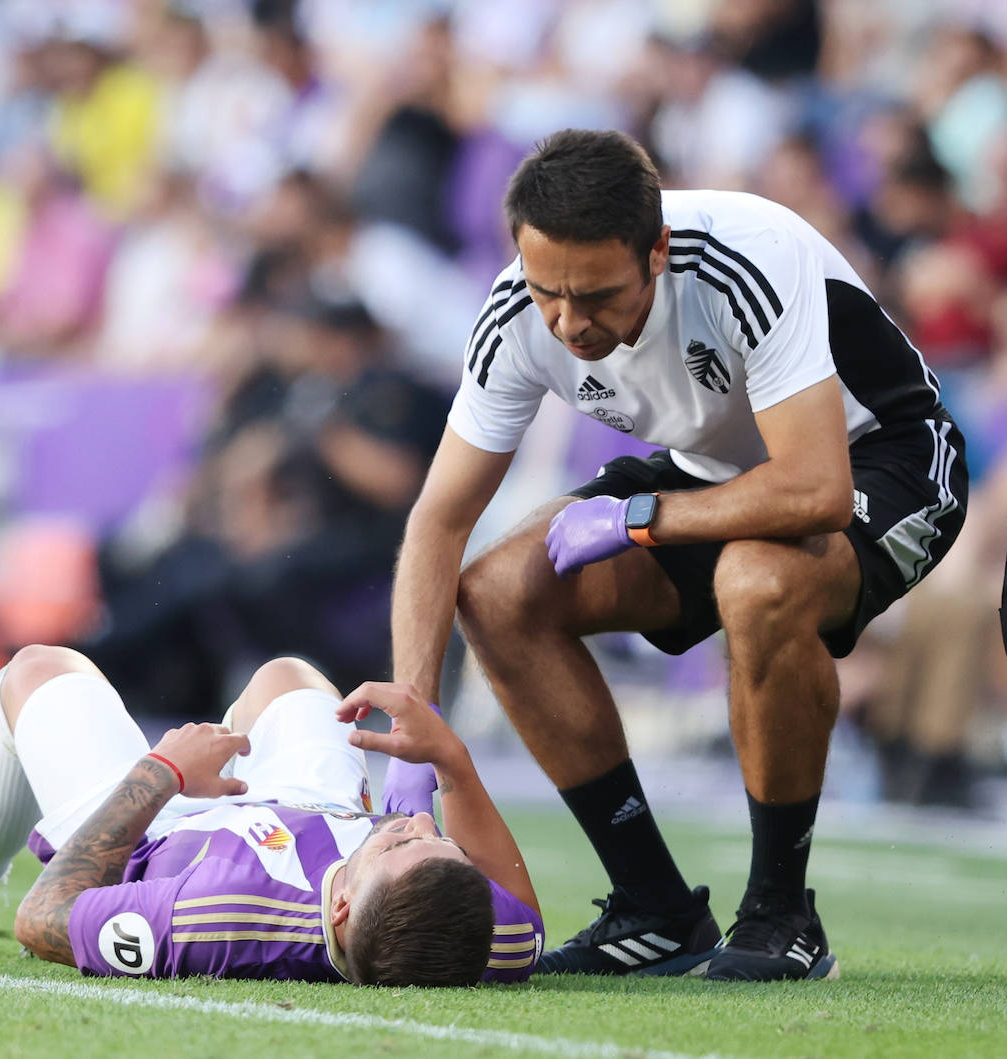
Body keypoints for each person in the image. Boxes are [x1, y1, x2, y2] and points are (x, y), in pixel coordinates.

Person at [391, 129, 967, 982]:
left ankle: (781, 915)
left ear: (657, 249)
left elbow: (813, 488)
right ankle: (655, 909)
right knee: (502, 593)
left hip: (882, 458)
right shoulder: (519, 311)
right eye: (549, 292)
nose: (569, 322)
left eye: (596, 295)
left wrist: (639, 515)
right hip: (712, 474)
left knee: (758, 581)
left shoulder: (748, 257)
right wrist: (416, 721)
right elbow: (437, 523)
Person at [0, 645, 543, 986]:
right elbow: (523, 916)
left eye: (400, 842)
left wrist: (162, 774)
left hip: (168, 830)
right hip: (310, 812)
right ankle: (234, 758)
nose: (418, 824)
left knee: (36, 669)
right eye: (440, 841)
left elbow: (45, 916)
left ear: (340, 909)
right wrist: (449, 759)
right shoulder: (483, 937)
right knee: (288, 678)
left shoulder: (223, 912)